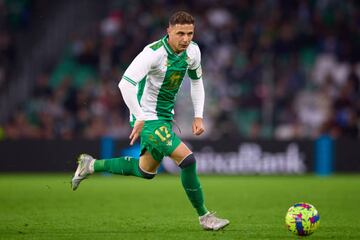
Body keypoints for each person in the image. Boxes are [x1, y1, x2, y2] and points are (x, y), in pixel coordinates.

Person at [71, 11, 230, 231]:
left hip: (164, 116)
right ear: (169, 31)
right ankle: (205, 217)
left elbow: (196, 82)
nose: (185, 39)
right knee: (188, 161)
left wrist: (198, 115)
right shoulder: (152, 54)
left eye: (190, 33)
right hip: (147, 116)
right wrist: (140, 117)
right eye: (180, 33)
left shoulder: (193, 51)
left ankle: (91, 165)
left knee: (146, 171)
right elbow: (125, 84)